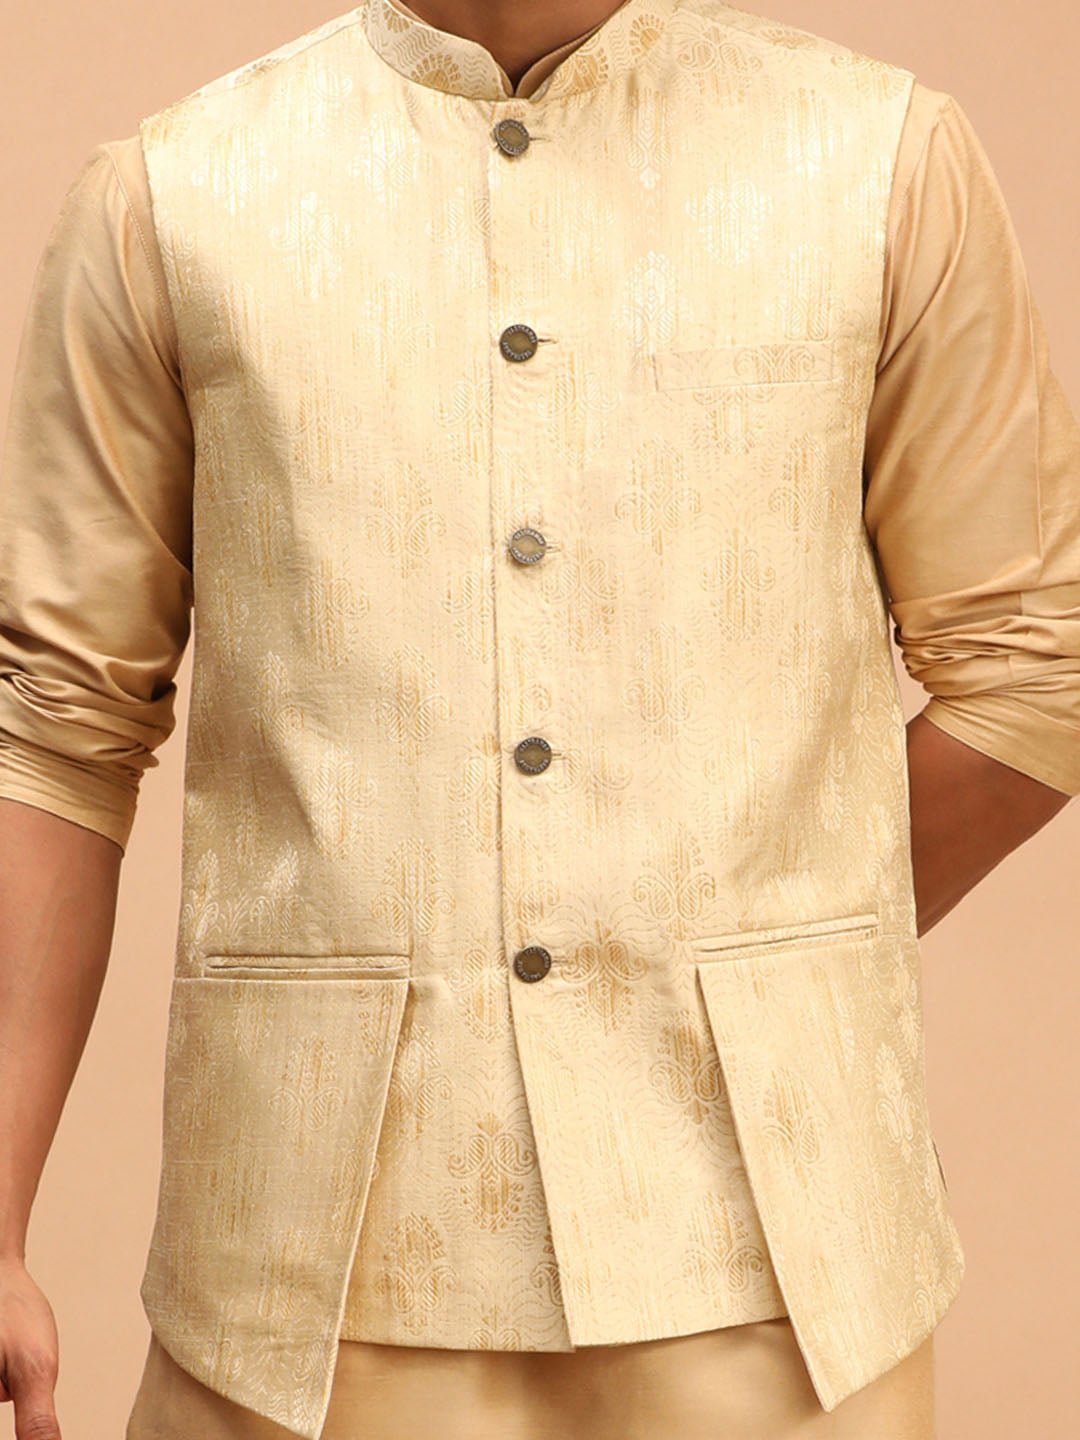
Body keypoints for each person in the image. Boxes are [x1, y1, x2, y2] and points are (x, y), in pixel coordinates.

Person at [1, 2, 1078, 1437]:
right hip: (296, 1266)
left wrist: (772, 961)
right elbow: (52, 724)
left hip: (781, 1258)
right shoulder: (176, 192)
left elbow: (1035, 662)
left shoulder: (879, 159)